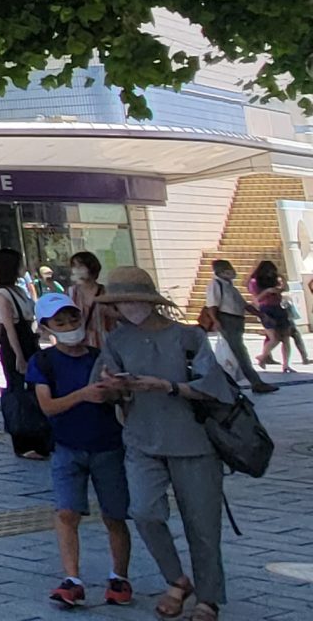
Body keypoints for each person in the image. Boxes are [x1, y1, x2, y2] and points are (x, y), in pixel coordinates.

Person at [96, 265, 237, 620]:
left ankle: (208, 597)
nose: (127, 308)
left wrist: (168, 386)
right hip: (142, 439)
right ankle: (176, 579)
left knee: (202, 525)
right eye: (120, 302)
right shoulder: (116, 340)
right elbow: (104, 391)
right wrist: (113, 386)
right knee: (143, 511)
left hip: (194, 443)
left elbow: (214, 389)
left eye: (132, 300)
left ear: (150, 301)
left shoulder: (189, 337)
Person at [26, 293, 134, 608]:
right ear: (47, 328)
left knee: (115, 515)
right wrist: (84, 394)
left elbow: (122, 399)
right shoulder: (43, 362)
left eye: (73, 319)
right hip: (66, 448)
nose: (70, 326)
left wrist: (114, 391)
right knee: (66, 512)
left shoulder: (101, 357)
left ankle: (120, 577)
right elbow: (48, 406)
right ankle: (72, 579)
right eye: (60, 322)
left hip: (108, 446)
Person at [0, 248, 51, 460]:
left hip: (29, 340)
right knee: (19, 390)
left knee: (35, 388)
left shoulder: (18, 290)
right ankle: (24, 442)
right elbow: (9, 327)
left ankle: (40, 436)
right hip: (15, 344)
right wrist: (19, 356)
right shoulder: (2, 294)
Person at [203, 258, 279, 394]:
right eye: (228, 270)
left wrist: (261, 315)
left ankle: (240, 382)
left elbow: (244, 304)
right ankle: (256, 382)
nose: (232, 272)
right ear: (220, 272)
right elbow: (212, 305)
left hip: (237, 320)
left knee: (237, 354)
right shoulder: (216, 285)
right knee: (240, 354)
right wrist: (216, 320)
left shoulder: (229, 286)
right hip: (227, 320)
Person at [248, 260, 299, 374]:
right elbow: (256, 300)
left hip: (279, 308)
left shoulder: (275, 279)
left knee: (286, 338)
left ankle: (286, 364)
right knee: (274, 338)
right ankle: (263, 356)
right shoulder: (254, 282)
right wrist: (267, 291)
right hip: (266, 309)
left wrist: (281, 282)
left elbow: (285, 289)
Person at [66, 251, 111, 342]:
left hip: (104, 344)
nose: (76, 270)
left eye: (80, 266)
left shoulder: (107, 293)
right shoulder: (70, 293)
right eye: (74, 266)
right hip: (80, 345)